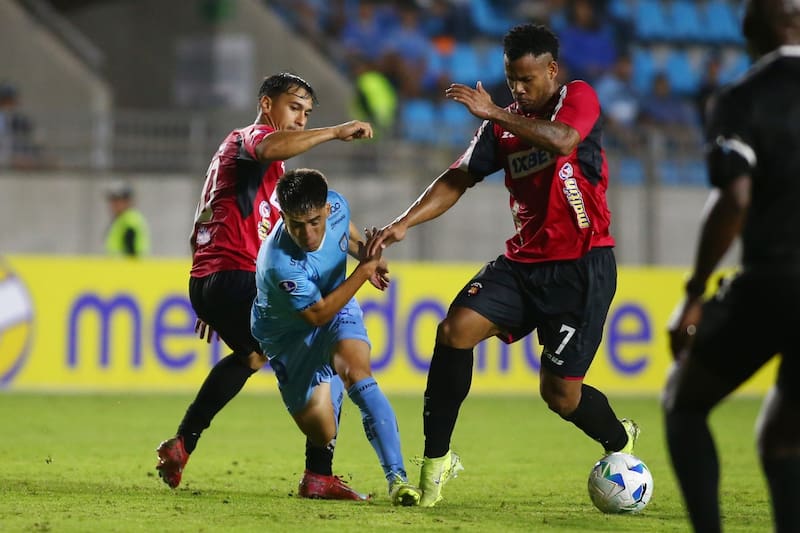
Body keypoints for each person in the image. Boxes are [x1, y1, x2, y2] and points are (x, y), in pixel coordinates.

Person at [367, 23, 639, 507]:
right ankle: (437, 460)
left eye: (527, 79)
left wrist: (494, 111)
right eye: (511, 78)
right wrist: (403, 223)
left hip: (582, 266)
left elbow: (563, 139)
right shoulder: (502, 125)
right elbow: (458, 177)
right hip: (523, 263)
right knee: (454, 330)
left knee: (560, 397)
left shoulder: (577, 97)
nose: (517, 88)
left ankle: (619, 440)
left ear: (552, 71)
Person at [155, 72, 375, 500]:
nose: (300, 120)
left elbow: (302, 224)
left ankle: (182, 444)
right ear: (267, 104)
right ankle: (319, 475)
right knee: (328, 338)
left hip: (211, 279)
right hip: (232, 274)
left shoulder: (256, 168)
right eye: (294, 109)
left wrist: (360, 248)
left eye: (308, 114)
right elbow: (272, 144)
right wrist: (333, 131)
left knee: (251, 355)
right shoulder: (251, 140)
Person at [664, 1, 800, 532]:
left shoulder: (743, 98)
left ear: (748, 33)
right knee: (785, 436)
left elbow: (734, 200)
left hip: (775, 281)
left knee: (684, 400)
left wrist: (695, 289)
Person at [251, 167, 420, 506]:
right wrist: (363, 271)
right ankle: (317, 476)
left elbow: (347, 235)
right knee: (322, 431)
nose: (308, 233)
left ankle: (398, 479)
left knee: (357, 373)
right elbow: (316, 315)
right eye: (296, 225)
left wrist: (366, 254)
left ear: (327, 208)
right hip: (288, 337)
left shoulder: (338, 207)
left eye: (314, 221)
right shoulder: (279, 262)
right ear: (282, 216)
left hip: (335, 305)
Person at [104, 181, 151, 258]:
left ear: (127, 201)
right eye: (112, 201)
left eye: (116, 201)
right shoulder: (121, 220)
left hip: (126, 268)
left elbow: (132, 254)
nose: (113, 205)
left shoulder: (129, 221)